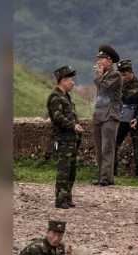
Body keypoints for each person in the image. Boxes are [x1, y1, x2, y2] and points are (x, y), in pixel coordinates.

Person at [47, 65, 84, 209]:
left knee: (71, 170)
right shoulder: (55, 97)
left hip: (71, 139)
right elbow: (58, 118)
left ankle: (67, 197)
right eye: (71, 80)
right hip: (63, 139)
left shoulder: (66, 97)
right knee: (63, 170)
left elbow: (70, 114)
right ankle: (60, 199)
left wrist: (77, 124)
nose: (73, 83)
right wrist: (73, 126)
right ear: (63, 81)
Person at [113, 60, 138, 180]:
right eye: (121, 75)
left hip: (135, 119)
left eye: (126, 74)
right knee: (113, 144)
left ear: (132, 73)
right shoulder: (118, 85)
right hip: (121, 119)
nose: (124, 77)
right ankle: (111, 171)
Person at [93, 44, 122, 186]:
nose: (98, 61)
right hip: (99, 114)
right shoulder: (103, 76)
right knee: (99, 148)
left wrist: (99, 78)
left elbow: (105, 88)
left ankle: (107, 177)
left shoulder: (115, 75)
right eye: (98, 59)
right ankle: (101, 176)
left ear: (109, 62)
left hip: (110, 114)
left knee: (107, 147)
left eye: (102, 59)